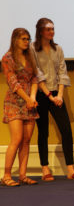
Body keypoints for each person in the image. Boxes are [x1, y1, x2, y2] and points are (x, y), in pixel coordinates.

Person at [31, 18, 74, 181]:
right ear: (40, 31)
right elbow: (36, 73)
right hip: (41, 94)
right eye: (48, 29)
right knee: (43, 132)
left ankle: (71, 169)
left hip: (57, 94)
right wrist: (49, 96)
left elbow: (62, 72)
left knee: (66, 130)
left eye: (53, 29)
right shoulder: (32, 48)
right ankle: (45, 168)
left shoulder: (58, 48)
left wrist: (59, 96)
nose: (52, 32)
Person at [1, 28, 38, 187]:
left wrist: (33, 98)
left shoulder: (30, 56)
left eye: (28, 39)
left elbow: (35, 78)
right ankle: (6, 175)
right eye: (23, 38)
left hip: (30, 101)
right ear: (15, 39)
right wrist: (27, 98)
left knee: (26, 140)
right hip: (15, 102)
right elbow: (13, 82)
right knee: (16, 139)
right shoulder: (7, 58)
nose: (26, 42)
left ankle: (23, 175)